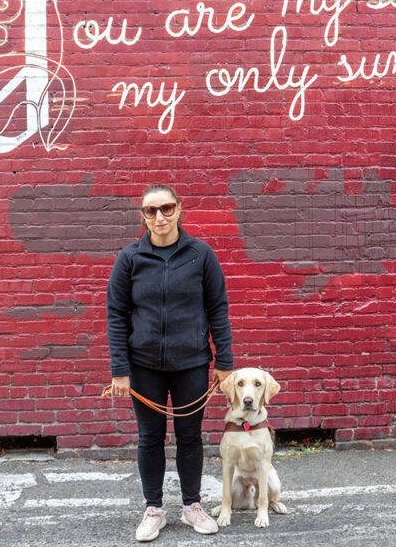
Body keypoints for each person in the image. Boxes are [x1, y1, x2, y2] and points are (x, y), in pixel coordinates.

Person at [106, 184, 234, 542]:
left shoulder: (201, 254)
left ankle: (192, 505)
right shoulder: (130, 258)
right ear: (143, 216)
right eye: (151, 211)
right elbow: (116, 314)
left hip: (191, 362)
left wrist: (224, 360)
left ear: (179, 209)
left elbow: (218, 308)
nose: (159, 217)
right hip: (143, 365)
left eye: (166, 208)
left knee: (189, 436)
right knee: (150, 437)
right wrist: (120, 369)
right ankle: (154, 510)